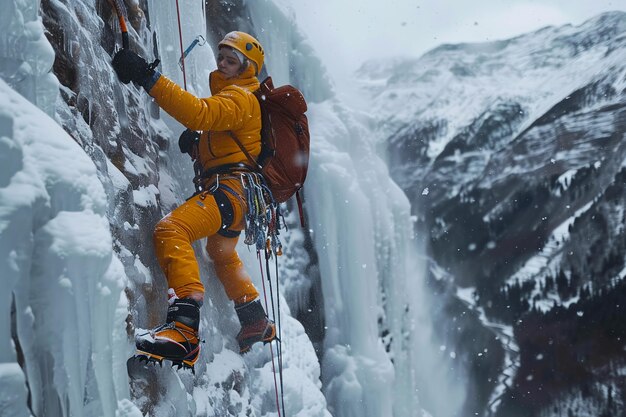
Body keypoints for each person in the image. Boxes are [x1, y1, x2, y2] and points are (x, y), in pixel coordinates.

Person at [111, 31, 276, 369]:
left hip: (231, 191)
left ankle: (184, 330)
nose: (222, 63)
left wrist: (147, 75)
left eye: (232, 60)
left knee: (171, 230)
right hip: (241, 196)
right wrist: (199, 146)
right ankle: (254, 316)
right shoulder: (239, 100)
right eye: (222, 57)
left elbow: (199, 113)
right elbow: (225, 143)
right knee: (221, 252)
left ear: (248, 67)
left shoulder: (242, 97)